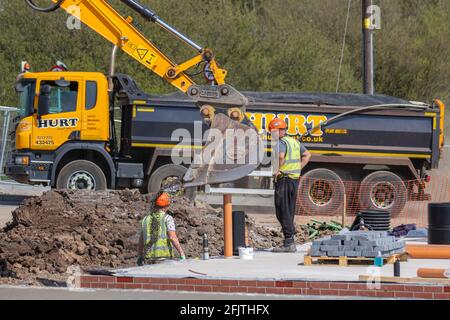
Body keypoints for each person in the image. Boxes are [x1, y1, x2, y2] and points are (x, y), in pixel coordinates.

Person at [269, 118, 312, 253]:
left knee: (283, 211)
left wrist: (278, 170)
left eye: (273, 131)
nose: (272, 134)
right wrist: (298, 168)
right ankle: (289, 240)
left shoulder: (280, 143)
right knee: (288, 210)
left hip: (285, 180)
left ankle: (289, 243)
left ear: (279, 131)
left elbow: (281, 157)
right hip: (293, 180)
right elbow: (307, 155)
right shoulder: (294, 141)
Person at [137, 192, 186, 265]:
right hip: (163, 259)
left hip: (149, 258)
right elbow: (172, 237)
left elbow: (141, 241)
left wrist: (140, 256)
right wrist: (182, 254)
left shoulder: (145, 219)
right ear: (166, 206)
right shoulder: (167, 218)